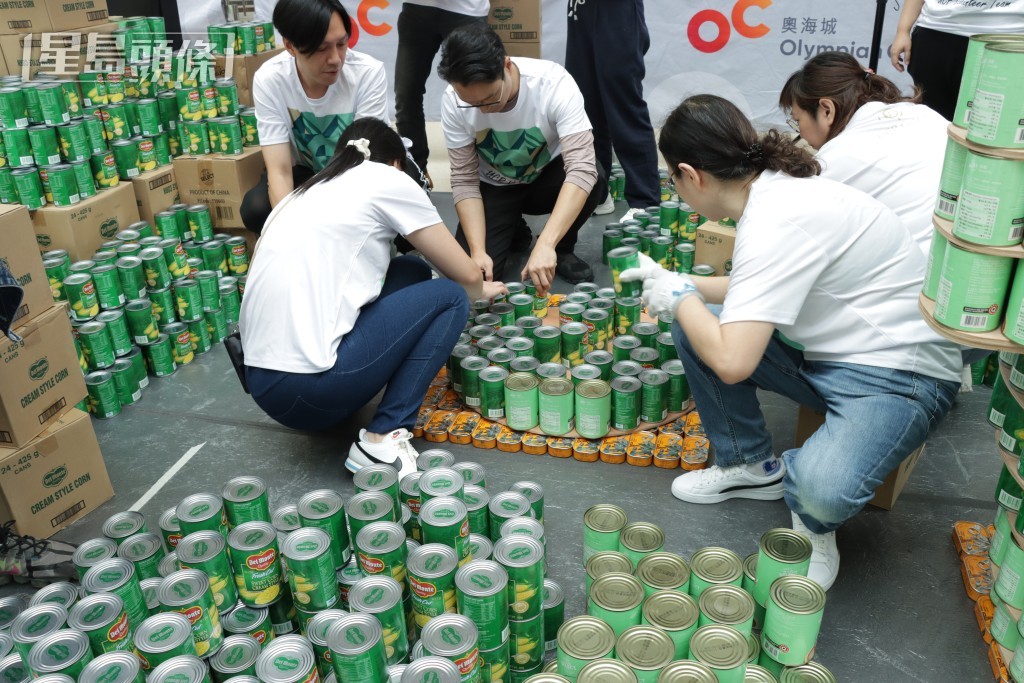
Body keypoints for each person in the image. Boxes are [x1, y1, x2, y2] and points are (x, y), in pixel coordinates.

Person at [621, 95, 961, 590]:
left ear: (691, 175)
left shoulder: (777, 218)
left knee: (821, 491)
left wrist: (681, 297)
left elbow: (734, 363)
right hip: (830, 353)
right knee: (699, 321)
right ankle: (749, 463)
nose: (675, 188)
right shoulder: (775, 194)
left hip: (901, 374)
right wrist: (679, 284)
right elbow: (747, 293)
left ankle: (815, 525)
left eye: (671, 178)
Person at [239, 118, 507, 478]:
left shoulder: (303, 192)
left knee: (410, 271)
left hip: (263, 385)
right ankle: (382, 439)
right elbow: (468, 275)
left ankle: (347, 391)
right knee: (449, 296)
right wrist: (478, 289)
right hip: (308, 392)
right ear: (397, 161)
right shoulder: (388, 178)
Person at [437, 23, 607, 292]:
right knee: (472, 279)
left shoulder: (553, 83)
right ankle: (512, 226)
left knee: (595, 176)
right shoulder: (453, 100)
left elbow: (582, 168)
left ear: (506, 65)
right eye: (472, 103)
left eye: (491, 98)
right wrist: (478, 250)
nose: (483, 110)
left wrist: (547, 244)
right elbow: (465, 180)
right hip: (494, 186)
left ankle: (561, 248)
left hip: (547, 179)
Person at [241, 0, 389, 235]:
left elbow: (367, 163)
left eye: (341, 44)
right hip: (308, 172)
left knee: (405, 196)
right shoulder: (270, 79)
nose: (335, 59)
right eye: (321, 49)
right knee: (257, 208)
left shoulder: (366, 73)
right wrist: (291, 235)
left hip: (358, 169)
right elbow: (279, 170)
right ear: (290, 46)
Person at [780, 51, 946, 253]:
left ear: (826, 110)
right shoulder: (925, 114)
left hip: (920, 273)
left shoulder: (837, 158)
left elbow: (794, 233)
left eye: (797, 121)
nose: (801, 134)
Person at [565, 0, 661, 220]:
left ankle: (645, 202)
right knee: (584, 107)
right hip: (580, 8)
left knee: (624, 107)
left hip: (616, 10)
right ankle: (597, 193)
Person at [394, 0, 488, 180]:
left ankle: (485, 176)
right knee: (406, 94)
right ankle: (415, 173)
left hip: (467, 9)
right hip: (418, 7)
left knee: (478, 92)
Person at [890, 0, 1024, 120]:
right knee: (934, 122)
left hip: (1007, 35)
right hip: (935, 29)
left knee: (994, 126)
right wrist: (903, 30)